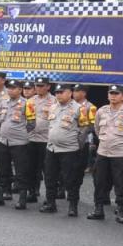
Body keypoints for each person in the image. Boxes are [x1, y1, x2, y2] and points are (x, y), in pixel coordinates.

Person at [89, 85, 123, 223]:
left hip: (120, 154)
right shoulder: (101, 111)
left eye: (117, 93)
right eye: (111, 93)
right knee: (99, 182)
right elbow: (97, 129)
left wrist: (121, 144)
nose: (113, 96)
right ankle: (98, 209)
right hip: (103, 152)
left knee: (121, 183)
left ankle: (121, 211)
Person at [42, 84, 89, 215]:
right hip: (51, 149)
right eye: (57, 92)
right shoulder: (53, 107)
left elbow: (84, 129)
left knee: (71, 179)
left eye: (62, 92)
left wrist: (77, 145)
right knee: (50, 178)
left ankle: (73, 206)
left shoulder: (79, 109)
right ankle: (50, 203)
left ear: (70, 93)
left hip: (69, 150)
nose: (58, 94)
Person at [0, 79, 35, 208]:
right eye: (8, 87)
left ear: (20, 90)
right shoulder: (4, 102)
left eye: (13, 88)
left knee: (21, 171)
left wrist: (21, 133)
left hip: (19, 143)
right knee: (2, 169)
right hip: (3, 141)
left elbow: (32, 124)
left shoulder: (27, 104)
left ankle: (22, 199)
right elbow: (2, 119)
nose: (10, 90)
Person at [26, 77, 55, 203]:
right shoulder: (30, 101)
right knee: (31, 168)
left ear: (48, 86)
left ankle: (49, 197)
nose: (38, 88)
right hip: (31, 139)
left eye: (41, 85)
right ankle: (32, 192)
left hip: (47, 140)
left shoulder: (54, 101)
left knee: (48, 170)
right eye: (37, 85)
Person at [72, 84, 97, 186]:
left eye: (77, 91)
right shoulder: (69, 104)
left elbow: (92, 125)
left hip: (82, 142)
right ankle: (61, 189)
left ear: (84, 93)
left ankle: (74, 190)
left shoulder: (90, 107)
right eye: (74, 91)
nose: (74, 93)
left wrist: (80, 132)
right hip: (68, 141)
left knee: (78, 168)